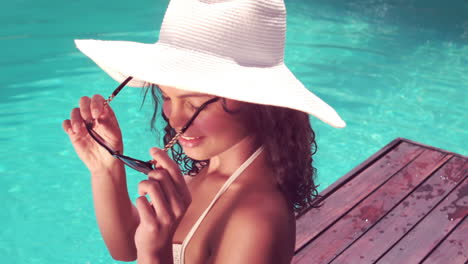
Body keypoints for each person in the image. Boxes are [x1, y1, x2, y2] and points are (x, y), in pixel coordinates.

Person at [62, 0, 346, 263]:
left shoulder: (256, 218)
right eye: (168, 97)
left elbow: (142, 251)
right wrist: (105, 169)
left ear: (257, 101)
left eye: (195, 104)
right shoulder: (206, 170)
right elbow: (126, 247)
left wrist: (155, 255)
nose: (175, 120)